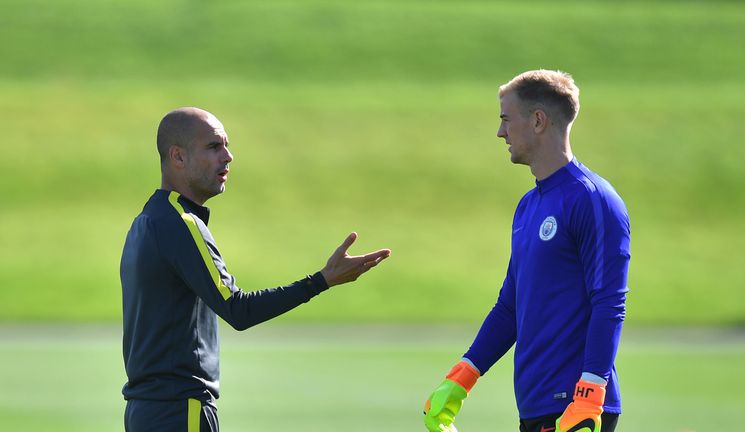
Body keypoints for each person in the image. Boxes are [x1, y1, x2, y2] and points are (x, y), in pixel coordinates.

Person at [121, 107, 391, 431]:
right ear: (177, 157)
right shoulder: (181, 224)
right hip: (180, 412)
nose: (228, 156)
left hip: (149, 412)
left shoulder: (147, 221)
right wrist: (321, 281)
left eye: (226, 145)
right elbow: (239, 309)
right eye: (213, 147)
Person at [423, 70, 630, 432]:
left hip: (577, 409)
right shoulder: (527, 206)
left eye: (506, 119)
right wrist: (461, 378)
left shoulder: (592, 199)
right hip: (535, 408)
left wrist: (591, 393)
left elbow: (609, 301)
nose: (500, 132)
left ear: (537, 121)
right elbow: (511, 307)